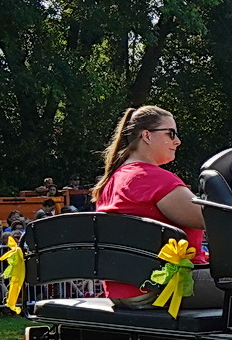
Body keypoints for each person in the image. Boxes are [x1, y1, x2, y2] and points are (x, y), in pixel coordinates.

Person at [93, 105, 221, 309]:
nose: (177, 141)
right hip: (161, 287)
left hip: (122, 289)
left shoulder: (113, 181)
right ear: (147, 136)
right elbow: (215, 220)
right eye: (171, 134)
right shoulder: (151, 178)